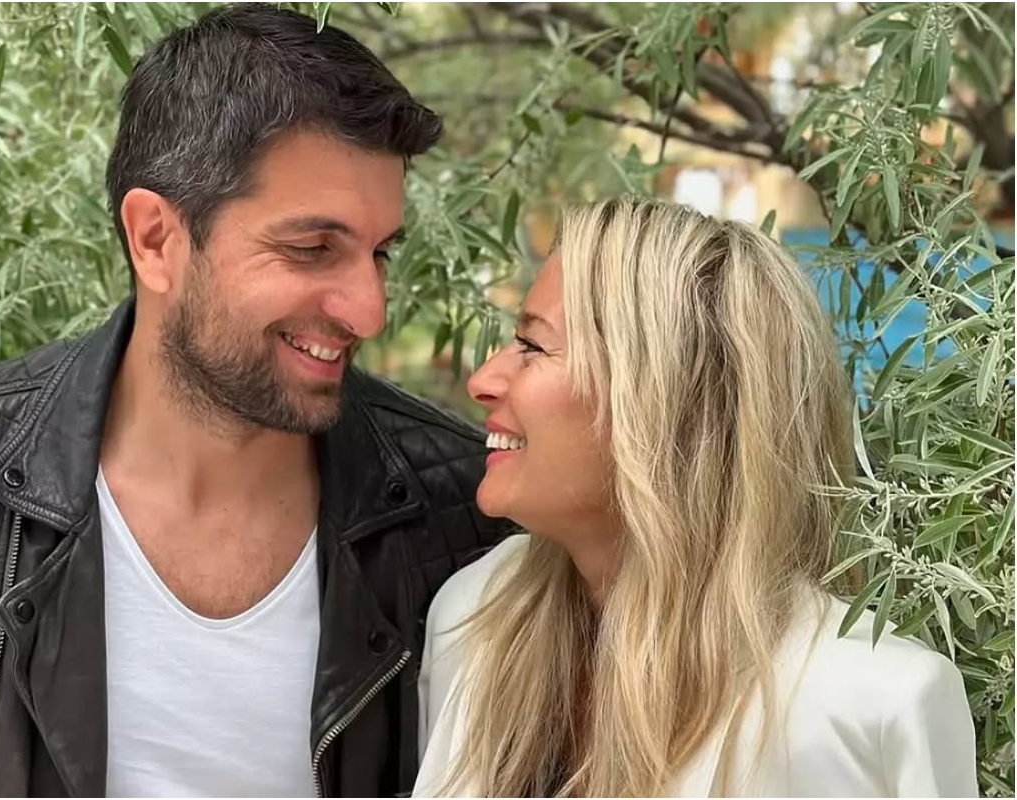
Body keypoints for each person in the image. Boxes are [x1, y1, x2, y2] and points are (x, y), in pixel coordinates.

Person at [0, 5, 509, 797]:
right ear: (155, 239)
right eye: (312, 249)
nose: (369, 311)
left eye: (379, 253)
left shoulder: (462, 515)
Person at [413, 197, 978, 798]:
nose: (481, 380)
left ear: (666, 403)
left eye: (532, 345)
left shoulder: (873, 712)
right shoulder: (474, 619)